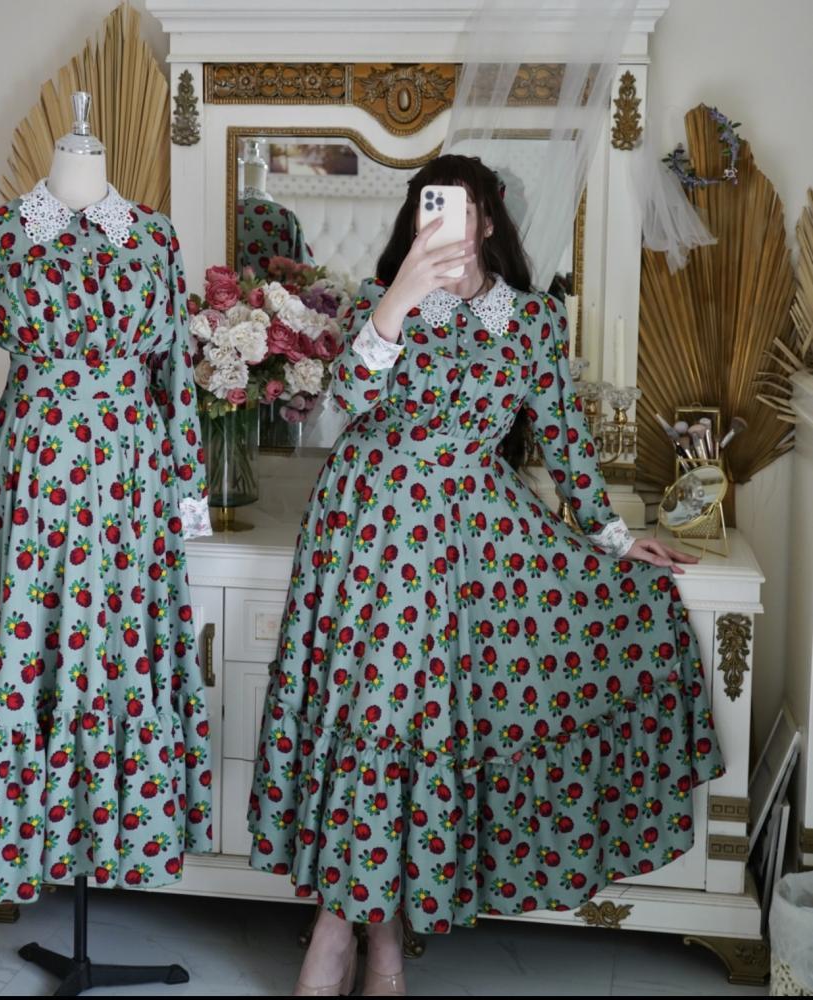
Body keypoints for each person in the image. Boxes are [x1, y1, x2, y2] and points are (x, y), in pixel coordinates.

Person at [246, 153, 726, 995]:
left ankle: (366, 940)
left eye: (462, 208)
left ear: (490, 221)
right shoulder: (379, 299)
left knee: (419, 729)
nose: (445, 222)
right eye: (430, 207)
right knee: (373, 721)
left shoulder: (531, 320)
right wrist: (399, 297)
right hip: (369, 529)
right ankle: (353, 938)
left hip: (474, 541)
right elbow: (346, 401)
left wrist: (616, 537)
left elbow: (564, 436)